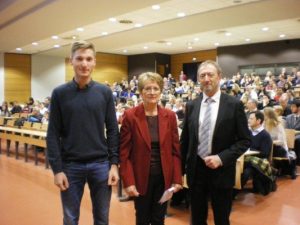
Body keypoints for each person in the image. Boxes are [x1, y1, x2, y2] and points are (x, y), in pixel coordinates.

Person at [47, 41, 119, 225]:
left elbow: (112, 130)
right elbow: (53, 134)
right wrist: (57, 170)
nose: (84, 64)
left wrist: (114, 164)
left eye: (88, 59)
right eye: (79, 58)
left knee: (102, 218)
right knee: (70, 219)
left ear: (94, 62)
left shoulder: (104, 93)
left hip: (101, 165)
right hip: (70, 166)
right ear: (71, 61)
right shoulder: (59, 94)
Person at [180, 60, 251, 225]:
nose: (206, 79)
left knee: (221, 218)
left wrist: (221, 158)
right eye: (202, 75)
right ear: (198, 79)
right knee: (196, 218)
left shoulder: (234, 105)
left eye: (210, 75)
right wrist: (179, 170)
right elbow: (185, 141)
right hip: (196, 170)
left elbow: (245, 140)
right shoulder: (192, 105)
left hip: (221, 171)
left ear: (219, 77)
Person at [120, 72, 182, 225]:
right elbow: (124, 153)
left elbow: (175, 151)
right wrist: (128, 181)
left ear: (161, 91)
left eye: (155, 88)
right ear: (141, 92)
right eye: (147, 88)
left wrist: (176, 178)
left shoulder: (170, 116)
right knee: (142, 218)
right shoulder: (130, 116)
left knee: (159, 219)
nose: (152, 92)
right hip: (141, 177)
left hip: (163, 178)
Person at [240, 111, 273, 193]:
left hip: (258, 161)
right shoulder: (248, 132)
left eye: (251, 118)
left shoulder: (265, 135)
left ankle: (234, 193)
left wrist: (250, 152)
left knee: (247, 172)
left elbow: (265, 153)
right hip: (246, 158)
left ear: (258, 121)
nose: (248, 120)